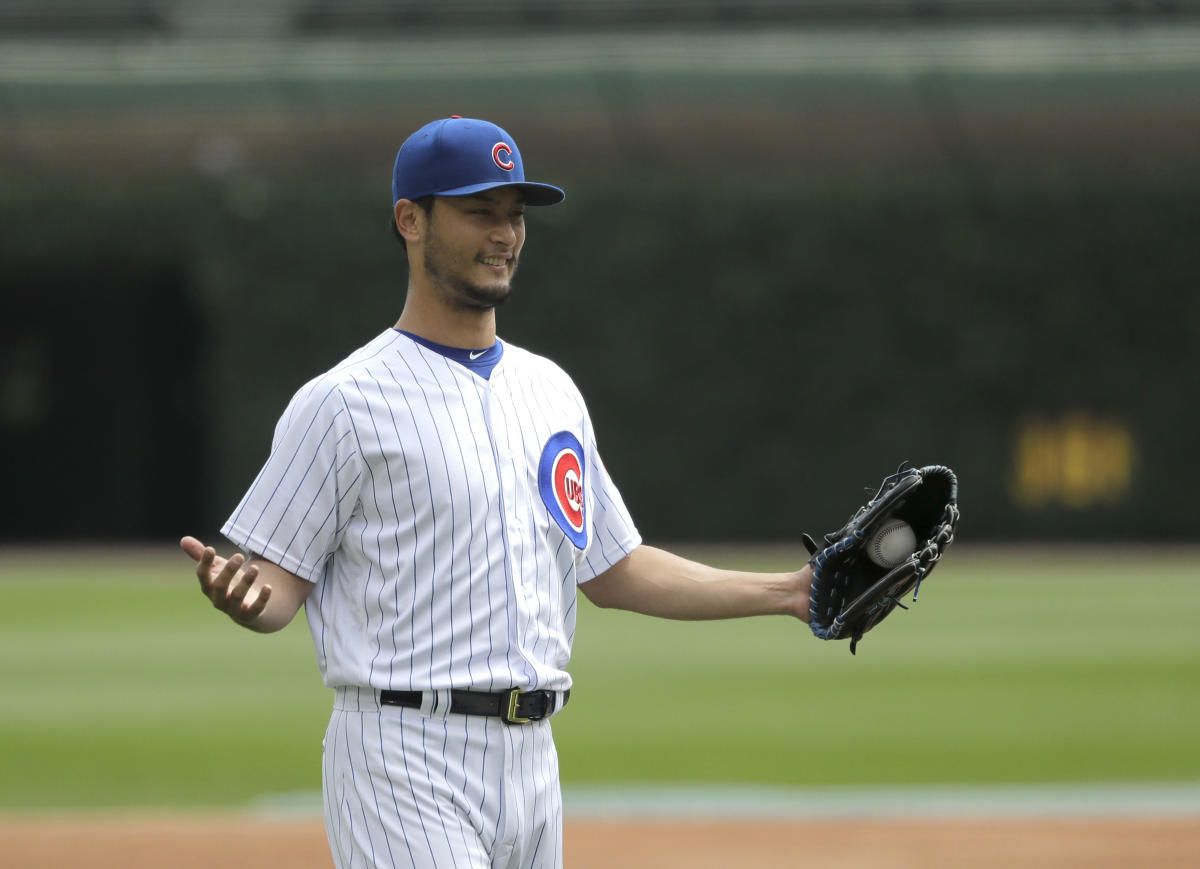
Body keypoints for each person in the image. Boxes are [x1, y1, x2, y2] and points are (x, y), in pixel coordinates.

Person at [181, 116, 812, 869]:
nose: (505, 233)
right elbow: (278, 584)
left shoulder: (550, 391)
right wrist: (246, 596)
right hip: (403, 757)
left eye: (515, 214)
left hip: (534, 761)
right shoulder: (343, 402)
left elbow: (614, 567)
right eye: (480, 210)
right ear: (410, 220)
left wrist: (791, 592)